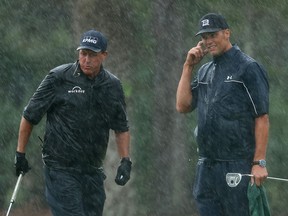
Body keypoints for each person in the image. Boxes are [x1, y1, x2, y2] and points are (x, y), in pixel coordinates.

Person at [14, 29, 132, 216]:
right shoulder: (59, 78)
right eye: (83, 53)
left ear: (104, 55)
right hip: (60, 169)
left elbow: (121, 127)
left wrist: (125, 160)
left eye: (92, 55)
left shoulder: (112, 86)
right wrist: (20, 154)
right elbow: (30, 116)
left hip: (92, 171)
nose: (86, 59)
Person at [176, 13, 269, 216]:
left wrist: (259, 162)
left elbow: (262, 117)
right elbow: (183, 105)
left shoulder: (248, 68)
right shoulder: (204, 71)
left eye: (212, 35)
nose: (208, 41)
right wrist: (188, 66)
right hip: (206, 166)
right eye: (204, 37)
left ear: (227, 33)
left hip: (237, 164)